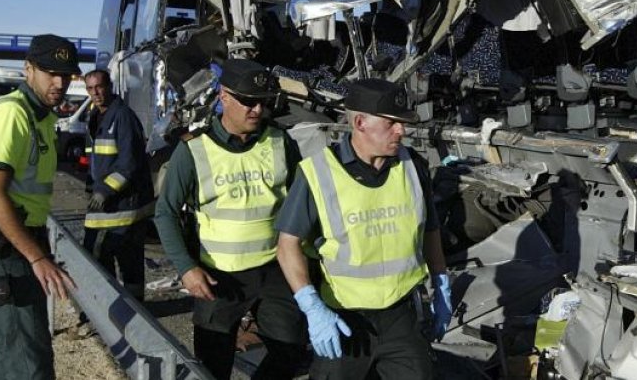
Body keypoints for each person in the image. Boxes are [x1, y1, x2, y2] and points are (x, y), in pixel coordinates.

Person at [276, 78, 452, 380]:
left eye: (403, 123)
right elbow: (287, 245)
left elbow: (430, 229)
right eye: (392, 123)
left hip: (402, 317)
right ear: (360, 122)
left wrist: (441, 283)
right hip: (345, 319)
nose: (402, 131)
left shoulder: (413, 167)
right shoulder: (318, 173)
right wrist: (310, 306)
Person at [154, 58, 307, 380]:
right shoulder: (194, 149)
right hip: (218, 278)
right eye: (248, 101)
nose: (257, 110)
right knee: (212, 368)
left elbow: (302, 205)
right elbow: (165, 212)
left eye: (263, 103)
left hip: (274, 270)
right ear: (224, 96)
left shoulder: (281, 142)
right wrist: (186, 268)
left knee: (291, 353)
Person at [0, 34, 78, 379]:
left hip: (14, 246)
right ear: (28, 69)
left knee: (23, 354)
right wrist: (37, 257)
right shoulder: (12, 114)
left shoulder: (41, 118)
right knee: (26, 363)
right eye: (50, 72)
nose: (59, 82)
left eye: (66, 75)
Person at [82, 68, 154, 301]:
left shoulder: (122, 117)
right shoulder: (95, 117)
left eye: (100, 87)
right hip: (110, 206)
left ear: (109, 86)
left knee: (114, 259)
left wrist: (103, 191)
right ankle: (117, 311)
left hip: (123, 207)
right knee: (108, 259)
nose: (96, 93)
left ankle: (128, 314)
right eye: (90, 89)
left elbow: (128, 163)